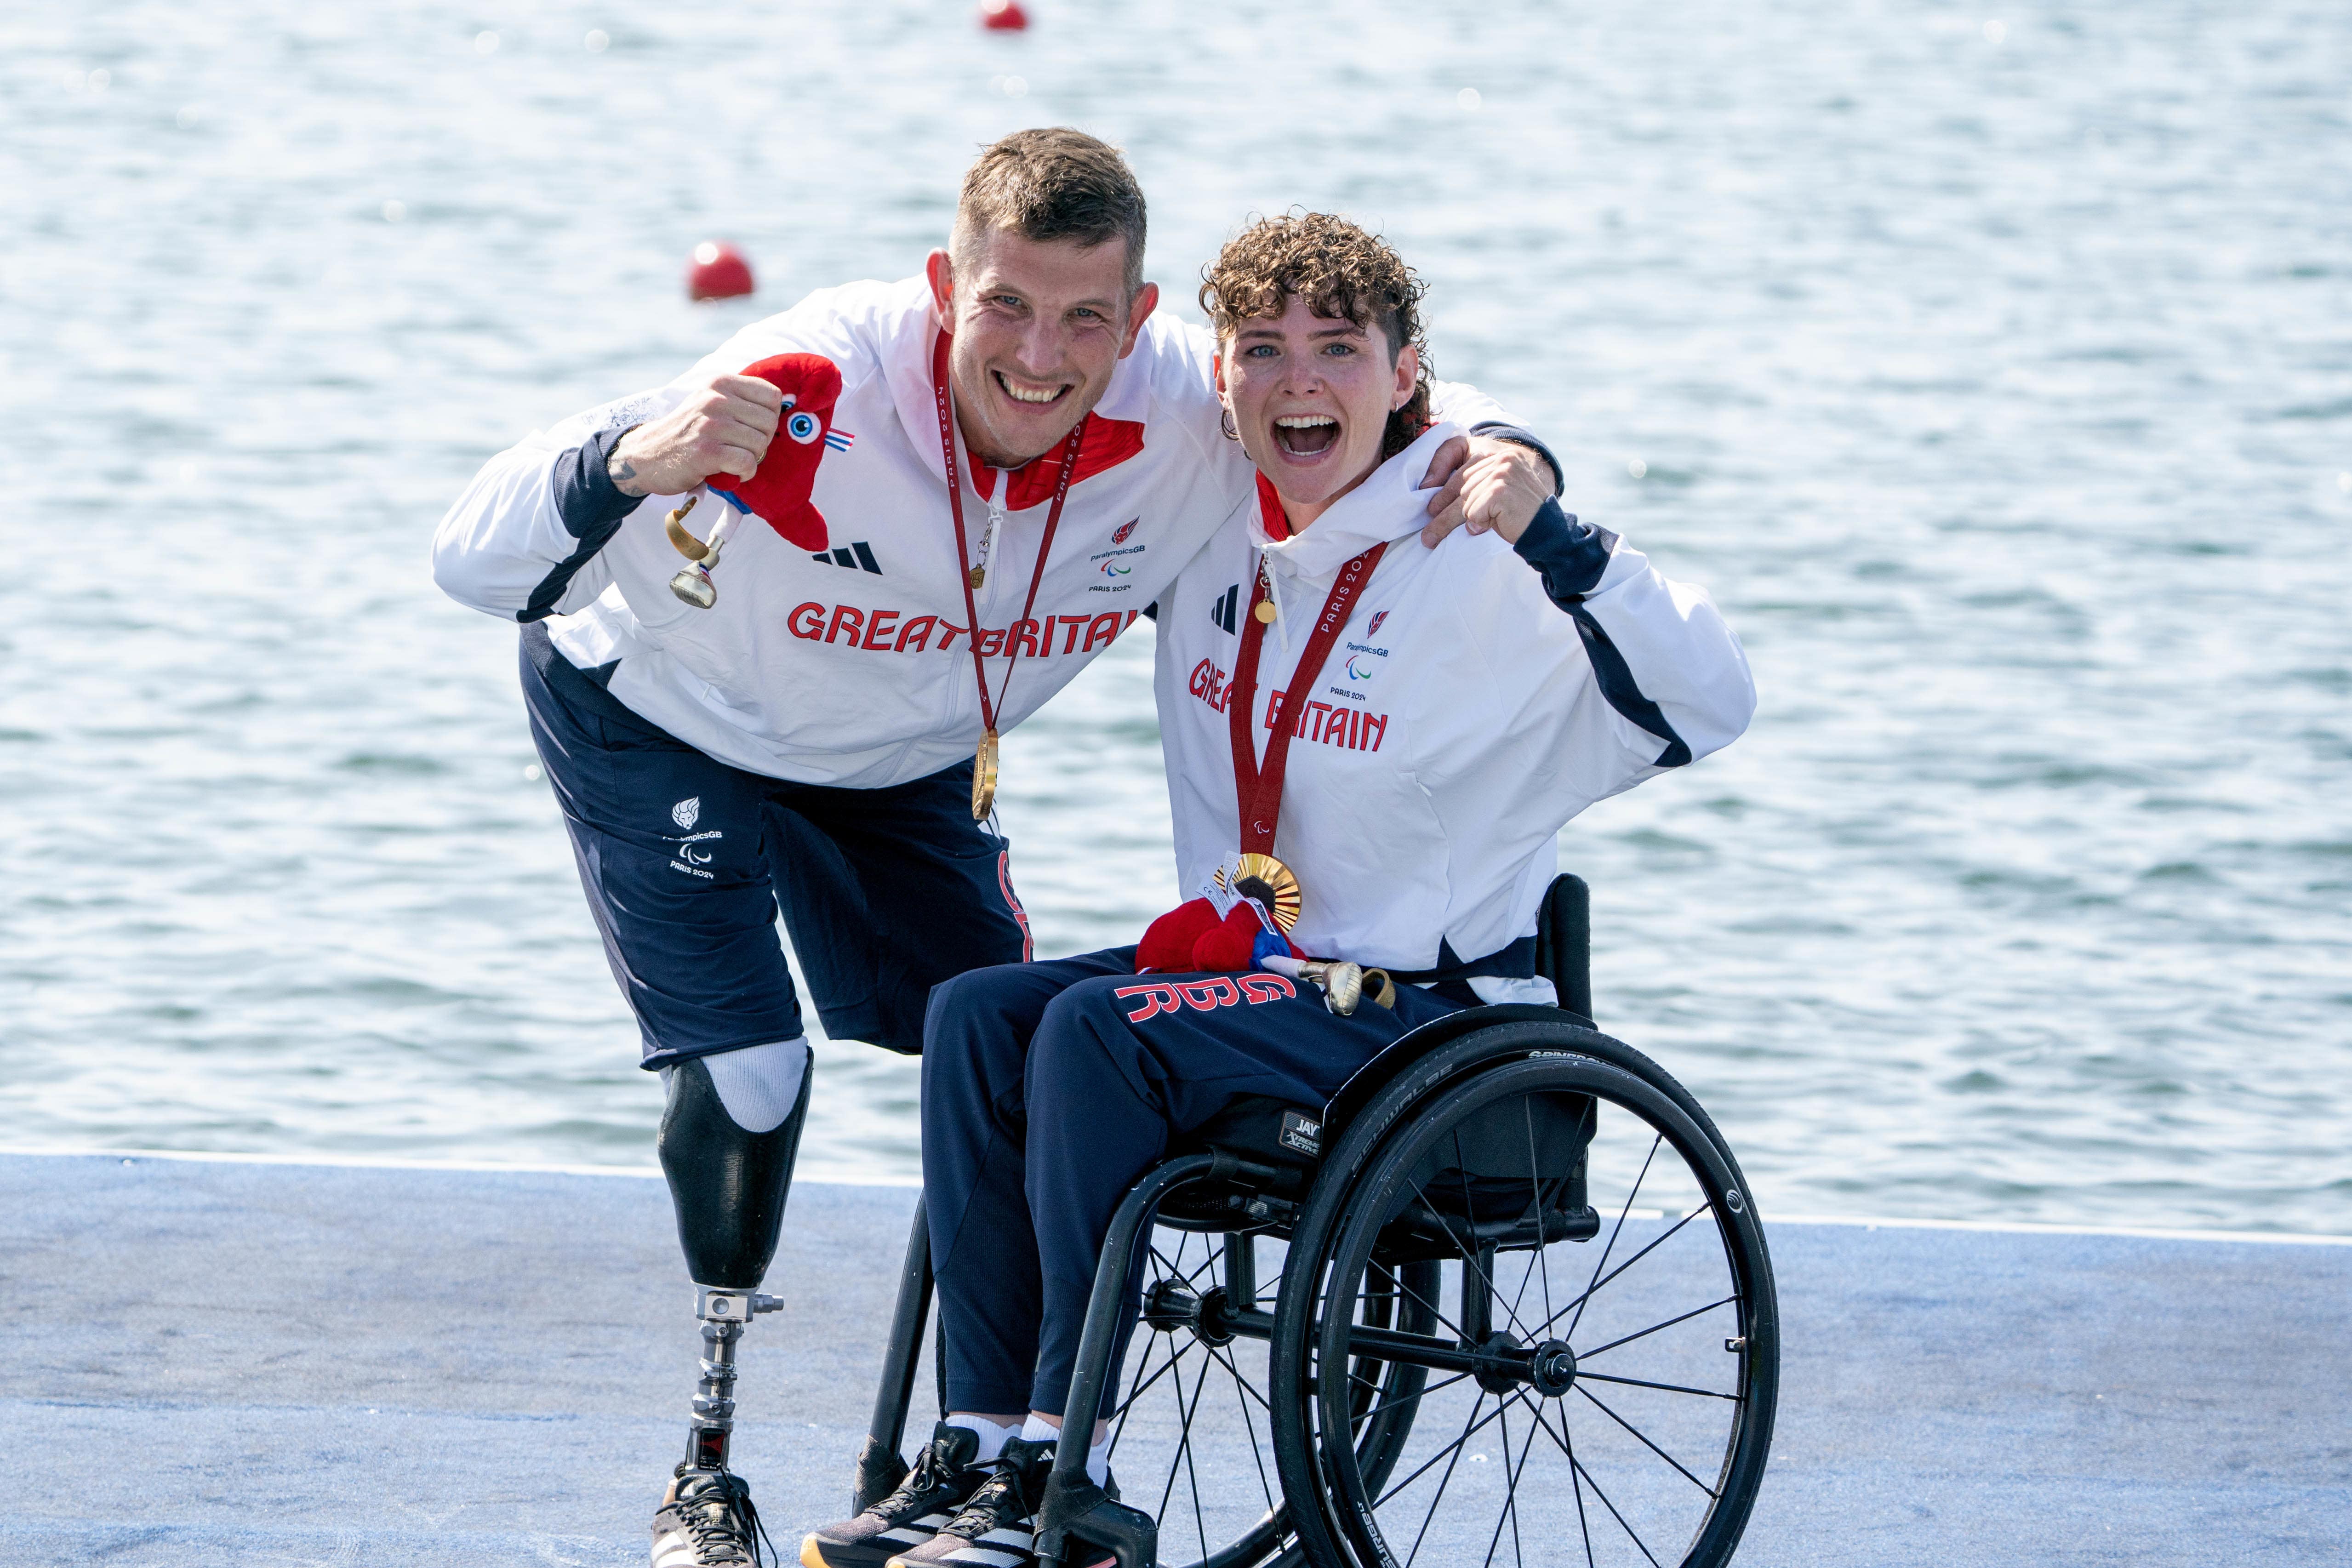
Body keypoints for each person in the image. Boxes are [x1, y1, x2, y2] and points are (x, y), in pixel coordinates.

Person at [429, 130, 1560, 1568]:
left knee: (1013, 1057)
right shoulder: (816, 375)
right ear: (940, 291)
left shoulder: (1182, 411)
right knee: (753, 1074)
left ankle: (1001, 1459)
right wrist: (630, 461)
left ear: (1142, 321)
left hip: (900, 761)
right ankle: (704, 1469)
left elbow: (1365, 384)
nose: (1040, 355)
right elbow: (473, 559)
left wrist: (1521, 451)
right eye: (1005, 309)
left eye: (1085, 315)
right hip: (664, 714)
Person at [797, 212, 1754, 1568]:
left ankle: (1071, 1474)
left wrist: (1554, 525)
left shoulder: (1477, 552)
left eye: (1337, 350)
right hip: (1240, 974)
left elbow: (1713, 700)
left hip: (1418, 1012)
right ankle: (981, 1444)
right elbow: (1073, 399)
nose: (1298, 379)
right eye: (1262, 349)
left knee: (1090, 1031)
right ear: (1225, 376)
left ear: (1405, 372)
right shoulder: (1207, 526)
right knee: (973, 1012)